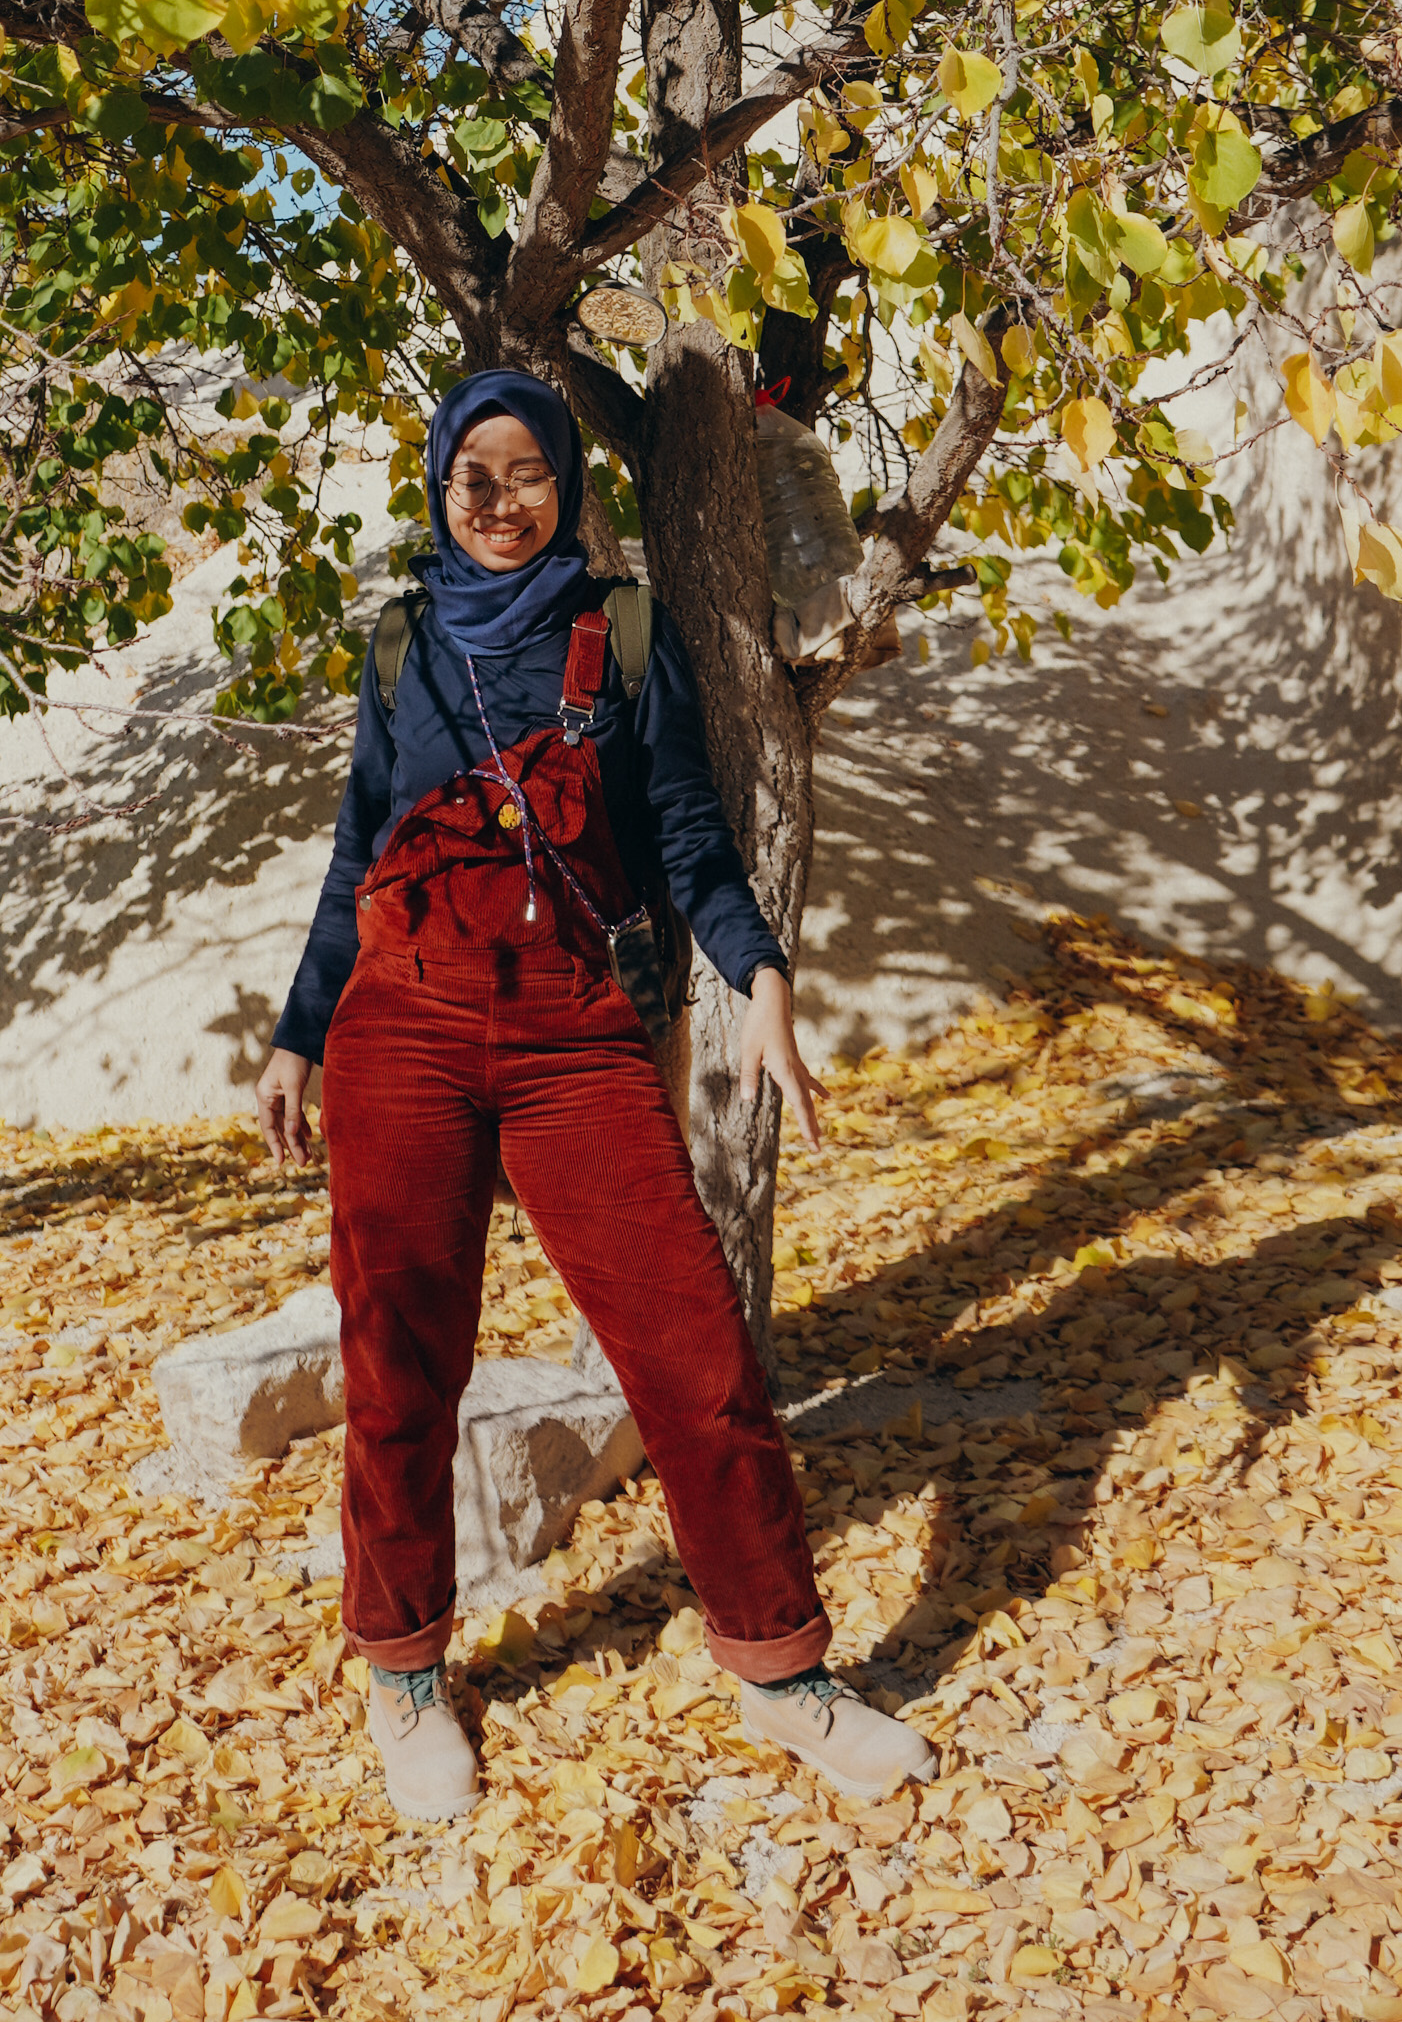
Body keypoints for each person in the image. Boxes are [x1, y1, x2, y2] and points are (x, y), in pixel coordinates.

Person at [254, 368, 937, 1820]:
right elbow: (356, 849)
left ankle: (783, 1672)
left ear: (568, 485)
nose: (500, 502)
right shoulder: (400, 645)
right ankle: (403, 1671)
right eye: (474, 476)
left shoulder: (622, 633)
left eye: (528, 475)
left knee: (697, 1355)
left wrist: (760, 975)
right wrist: (298, 1034)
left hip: (571, 1027)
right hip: (401, 1024)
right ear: (440, 487)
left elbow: (684, 833)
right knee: (397, 1362)